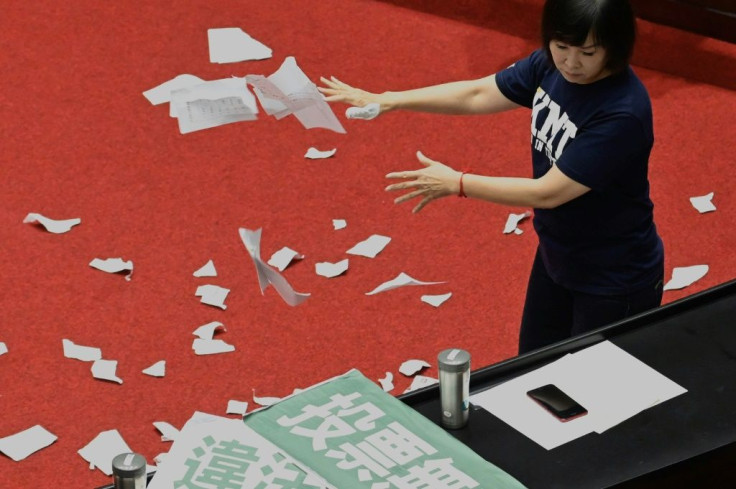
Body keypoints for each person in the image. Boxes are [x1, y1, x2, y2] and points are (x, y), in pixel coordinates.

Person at [318, 0, 664, 354]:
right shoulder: (549, 66)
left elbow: (548, 193)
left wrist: (459, 183)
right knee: (530, 373)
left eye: (587, 52)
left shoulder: (622, 114)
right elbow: (477, 94)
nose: (571, 63)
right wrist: (390, 100)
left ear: (615, 46)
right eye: (562, 47)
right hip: (558, 256)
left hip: (613, 279)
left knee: (596, 399)